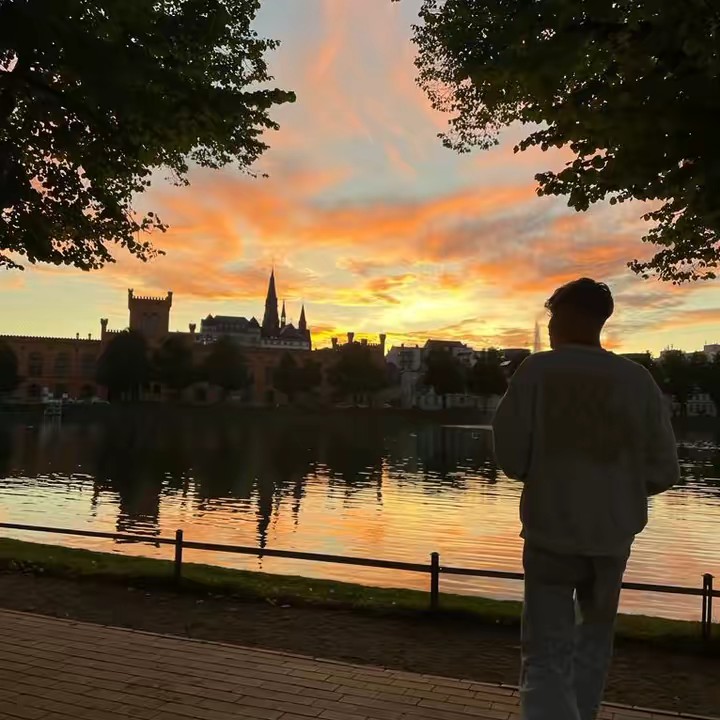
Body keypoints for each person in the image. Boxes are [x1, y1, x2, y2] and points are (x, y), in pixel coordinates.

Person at [492, 278, 679, 720]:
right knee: (593, 647)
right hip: (612, 537)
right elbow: (664, 470)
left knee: (544, 653)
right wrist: (618, 489)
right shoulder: (637, 380)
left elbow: (511, 456)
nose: (550, 326)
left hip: (550, 532)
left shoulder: (536, 372)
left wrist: (548, 473)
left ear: (569, 315)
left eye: (553, 316)